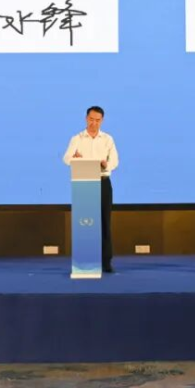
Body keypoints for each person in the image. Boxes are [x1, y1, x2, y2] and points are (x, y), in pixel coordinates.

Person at [63, 106, 119, 273]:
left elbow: (115, 161)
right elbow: (66, 158)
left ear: (102, 121)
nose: (94, 123)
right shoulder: (77, 138)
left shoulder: (107, 139)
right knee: (85, 223)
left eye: (97, 120)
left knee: (105, 222)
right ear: (86, 118)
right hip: (84, 184)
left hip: (103, 182)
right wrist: (74, 158)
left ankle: (106, 261)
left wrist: (106, 164)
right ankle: (85, 260)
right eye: (91, 119)